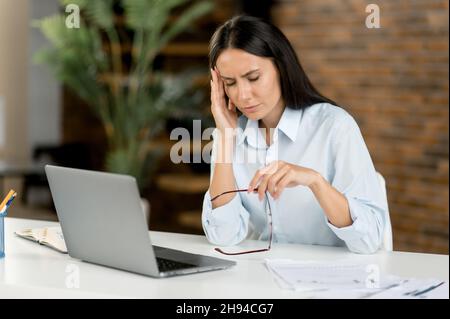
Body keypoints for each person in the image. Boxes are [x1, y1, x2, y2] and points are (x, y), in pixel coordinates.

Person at [201, 15, 388, 254]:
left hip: (331, 282)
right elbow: (223, 235)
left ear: (281, 67)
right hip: (263, 279)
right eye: (230, 83)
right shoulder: (230, 134)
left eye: (253, 78)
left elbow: (370, 238)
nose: (243, 95)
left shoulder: (334, 126)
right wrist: (225, 139)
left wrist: (314, 181)